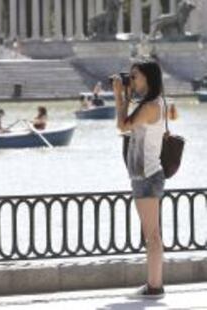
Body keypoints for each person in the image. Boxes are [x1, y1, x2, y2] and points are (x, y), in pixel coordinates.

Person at [112, 59, 166, 299]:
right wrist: (127, 95)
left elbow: (121, 126)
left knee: (152, 235)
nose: (131, 81)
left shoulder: (150, 106)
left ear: (148, 78)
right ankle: (154, 284)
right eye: (130, 77)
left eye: (135, 76)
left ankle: (154, 287)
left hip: (146, 176)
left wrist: (118, 96)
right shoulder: (152, 103)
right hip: (146, 174)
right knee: (153, 234)